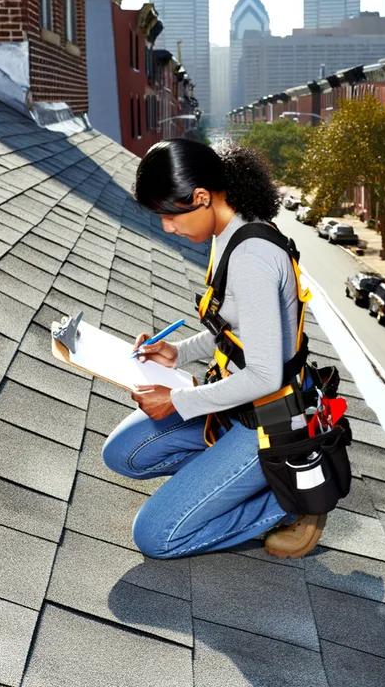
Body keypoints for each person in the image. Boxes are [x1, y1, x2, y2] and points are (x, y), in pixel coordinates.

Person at [101, 138, 327, 559]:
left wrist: (177, 401)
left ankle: (285, 499)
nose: (168, 227)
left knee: (156, 536)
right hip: (231, 405)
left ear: (202, 197)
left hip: (270, 422)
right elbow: (239, 328)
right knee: (122, 454)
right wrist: (178, 352)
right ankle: (214, 487)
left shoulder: (253, 257)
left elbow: (265, 375)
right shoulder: (228, 234)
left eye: (171, 215)